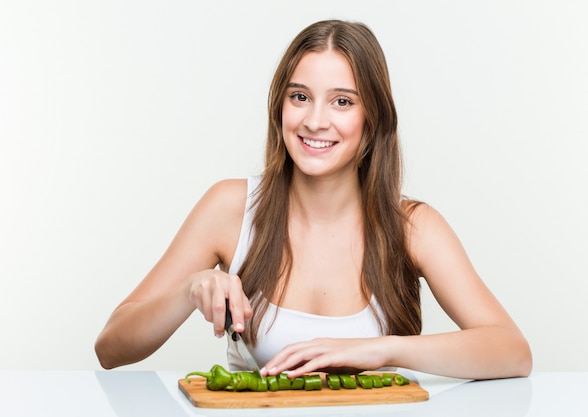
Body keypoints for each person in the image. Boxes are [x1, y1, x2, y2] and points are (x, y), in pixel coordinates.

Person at [94, 19, 532, 380]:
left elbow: (513, 353)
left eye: (342, 102)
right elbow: (111, 347)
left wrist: (378, 351)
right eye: (299, 97)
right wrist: (188, 290)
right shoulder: (230, 207)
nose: (315, 121)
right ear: (280, 107)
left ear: (372, 119)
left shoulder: (413, 226)